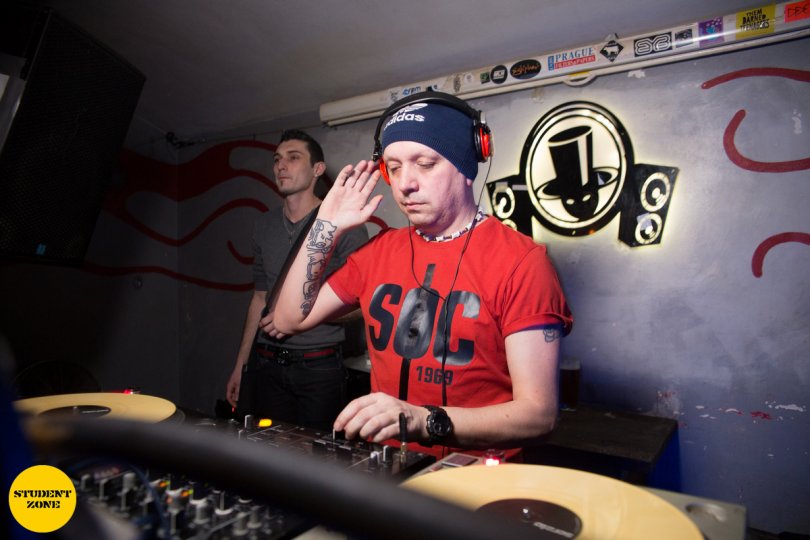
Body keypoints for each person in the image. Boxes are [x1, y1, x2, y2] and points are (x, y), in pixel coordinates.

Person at [272, 93, 572, 458]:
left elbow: (539, 415)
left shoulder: (522, 262)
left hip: (478, 477)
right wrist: (326, 226)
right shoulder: (380, 251)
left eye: (425, 164)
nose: (405, 183)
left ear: (467, 164)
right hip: (389, 469)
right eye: (394, 168)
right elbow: (287, 318)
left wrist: (423, 420)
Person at [226, 129, 369, 432]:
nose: (281, 165)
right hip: (266, 363)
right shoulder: (263, 225)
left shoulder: (343, 224)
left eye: (293, 158)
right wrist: (241, 365)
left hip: (318, 368)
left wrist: (297, 317)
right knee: (267, 452)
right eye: (277, 159)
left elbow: (362, 303)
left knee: (316, 456)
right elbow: (259, 298)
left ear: (318, 169)